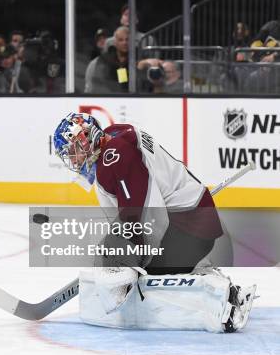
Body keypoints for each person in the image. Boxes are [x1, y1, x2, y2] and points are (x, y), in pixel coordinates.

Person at [51, 113, 256, 333]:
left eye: (73, 151)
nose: (73, 160)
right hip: (193, 224)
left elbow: (149, 219)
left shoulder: (115, 158)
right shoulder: (117, 134)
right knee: (119, 247)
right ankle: (206, 278)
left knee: (123, 262)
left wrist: (130, 261)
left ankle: (218, 297)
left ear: (87, 139)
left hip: (187, 227)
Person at [91, 26, 129, 93]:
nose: (125, 43)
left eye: (127, 40)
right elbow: (98, 83)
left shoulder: (137, 59)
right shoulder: (104, 60)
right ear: (114, 42)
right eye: (121, 40)